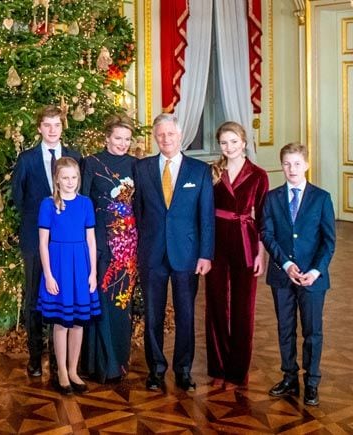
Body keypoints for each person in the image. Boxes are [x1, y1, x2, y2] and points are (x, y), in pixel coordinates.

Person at [133, 113, 214, 392]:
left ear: (180, 136)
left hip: (187, 255)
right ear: (155, 137)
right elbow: (138, 213)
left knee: (185, 315)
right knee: (153, 315)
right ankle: (156, 369)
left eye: (170, 134)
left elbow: (206, 217)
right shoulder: (141, 169)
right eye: (160, 135)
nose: (166, 139)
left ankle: (183, 370)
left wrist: (206, 254)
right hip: (152, 254)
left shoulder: (199, 171)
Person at [262, 143, 335, 407]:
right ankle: (289, 378)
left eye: (296, 163)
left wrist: (315, 271)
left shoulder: (321, 198)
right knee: (285, 329)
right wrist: (286, 264)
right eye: (286, 164)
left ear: (306, 165)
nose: (291, 169)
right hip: (282, 276)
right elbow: (267, 234)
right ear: (281, 166)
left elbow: (329, 241)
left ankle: (312, 383)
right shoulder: (272, 198)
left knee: (312, 331)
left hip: (313, 278)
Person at [12, 105, 82, 378]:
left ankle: (59, 360)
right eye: (47, 125)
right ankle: (34, 356)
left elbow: (79, 196)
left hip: (67, 242)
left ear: (63, 127)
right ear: (39, 127)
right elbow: (17, 196)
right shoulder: (27, 159)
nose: (52, 130)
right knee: (34, 297)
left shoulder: (75, 157)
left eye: (57, 125)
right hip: (34, 238)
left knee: (63, 297)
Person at [204, 122, 269, 390]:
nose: (229, 147)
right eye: (224, 143)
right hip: (217, 242)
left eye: (233, 142)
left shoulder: (258, 175)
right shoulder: (212, 172)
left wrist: (260, 254)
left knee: (244, 308)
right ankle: (218, 365)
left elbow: (264, 218)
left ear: (244, 142)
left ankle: (237, 371)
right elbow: (205, 213)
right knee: (216, 303)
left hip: (246, 241)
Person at [79, 115, 138, 383]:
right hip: (100, 244)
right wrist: (94, 243)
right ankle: (101, 365)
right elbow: (84, 205)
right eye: (118, 138)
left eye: (127, 139)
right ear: (106, 138)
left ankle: (120, 364)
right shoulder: (91, 163)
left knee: (121, 305)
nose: (122, 143)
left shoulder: (137, 166)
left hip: (129, 248)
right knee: (101, 302)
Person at [37, 157, 100, 395]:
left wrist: (93, 272)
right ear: (57, 179)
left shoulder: (85, 204)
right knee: (61, 323)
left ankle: (74, 370)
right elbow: (43, 243)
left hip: (81, 266)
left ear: (79, 179)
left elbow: (91, 240)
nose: (70, 182)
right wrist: (49, 275)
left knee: (77, 322)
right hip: (58, 266)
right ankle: (61, 371)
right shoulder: (48, 204)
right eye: (65, 178)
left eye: (74, 177)